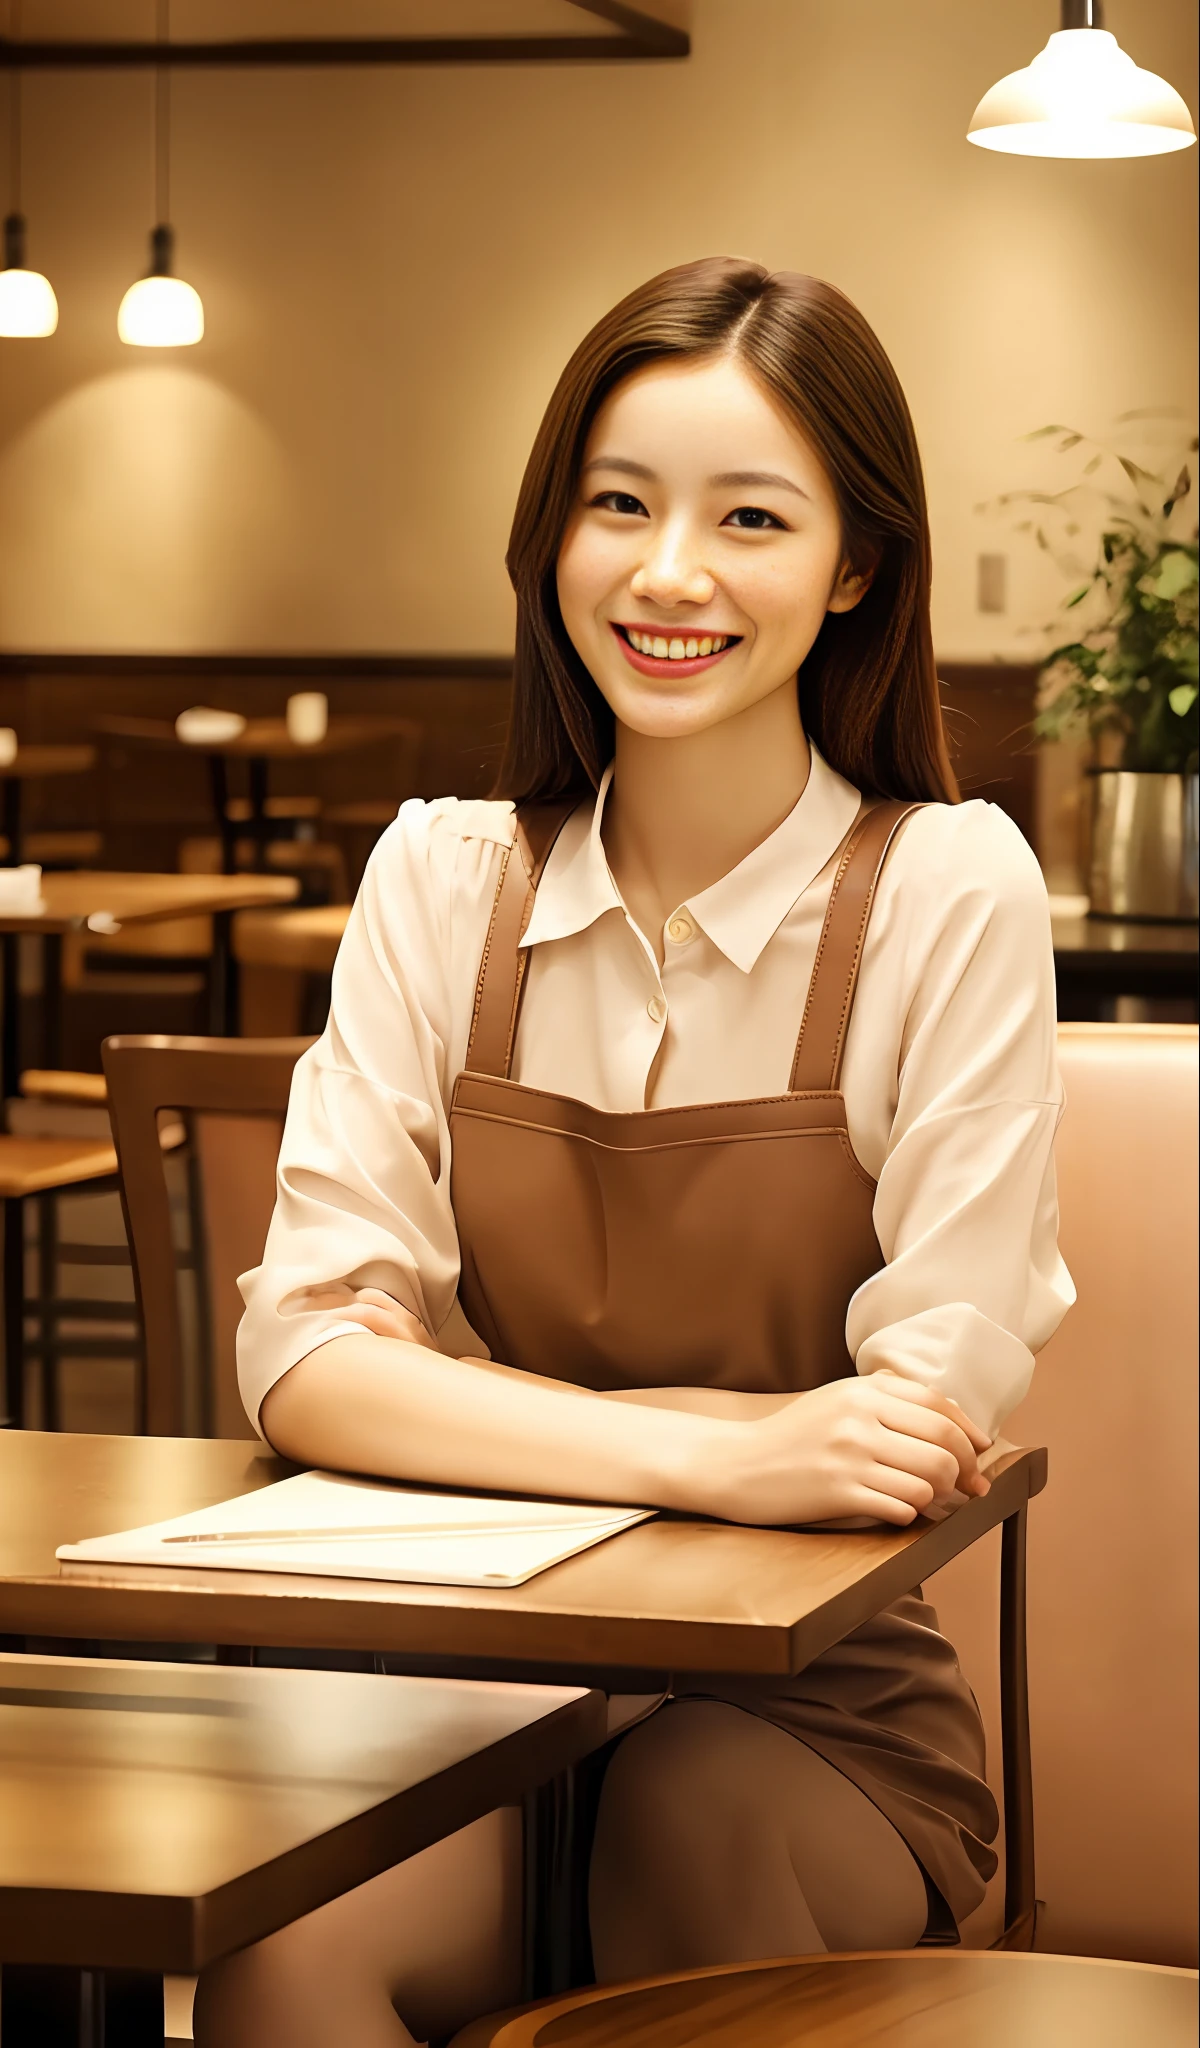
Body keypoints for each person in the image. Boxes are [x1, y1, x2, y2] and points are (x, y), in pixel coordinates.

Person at [194, 258, 1073, 2048]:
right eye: (619, 505)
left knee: (686, 1820)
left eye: (748, 517)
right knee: (281, 1939)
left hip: (807, 1716)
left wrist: (465, 1405)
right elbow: (299, 1357)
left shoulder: (945, 886)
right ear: (552, 541)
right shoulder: (442, 877)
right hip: (473, 1689)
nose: (669, 572)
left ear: (853, 571)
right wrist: (734, 1452)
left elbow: (917, 1425)